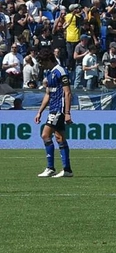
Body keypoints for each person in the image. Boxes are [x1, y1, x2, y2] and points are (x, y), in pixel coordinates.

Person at [33, 49, 73, 178]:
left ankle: (50, 168)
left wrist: (67, 112)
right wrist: (39, 112)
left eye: (42, 62)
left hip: (59, 109)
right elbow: (48, 94)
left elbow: (67, 93)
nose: (41, 65)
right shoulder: (49, 74)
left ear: (49, 60)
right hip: (53, 109)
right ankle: (67, 170)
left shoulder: (60, 71)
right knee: (60, 138)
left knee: (45, 135)